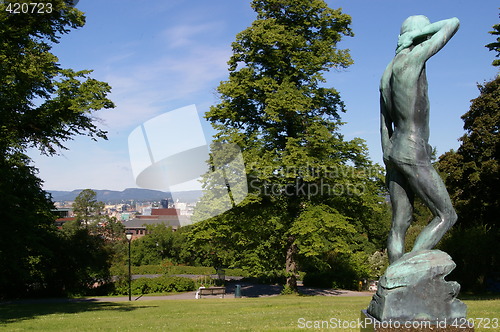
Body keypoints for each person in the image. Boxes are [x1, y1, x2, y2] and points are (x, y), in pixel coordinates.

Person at [380, 15, 460, 264]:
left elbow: (383, 123)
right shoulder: (412, 59)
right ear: (421, 35)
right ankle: (410, 271)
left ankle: (392, 286)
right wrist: (414, 38)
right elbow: (453, 23)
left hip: (393, 150)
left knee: (399, 223)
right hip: (413, 149)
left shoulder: (386, 74)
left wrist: (388, 158)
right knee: (446, 215)